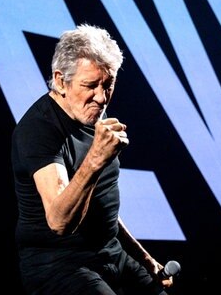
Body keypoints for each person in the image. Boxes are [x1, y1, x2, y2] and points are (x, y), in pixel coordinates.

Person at [11, 23, 174, 295]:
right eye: (90, 85)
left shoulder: (88, 115)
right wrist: (96, 159)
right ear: (61, 81)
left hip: (111, 253)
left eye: (108, 84)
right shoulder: (38, 130)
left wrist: (144, 258)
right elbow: (60, 221)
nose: (101, 97)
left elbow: (101, 206)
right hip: (60, 265)